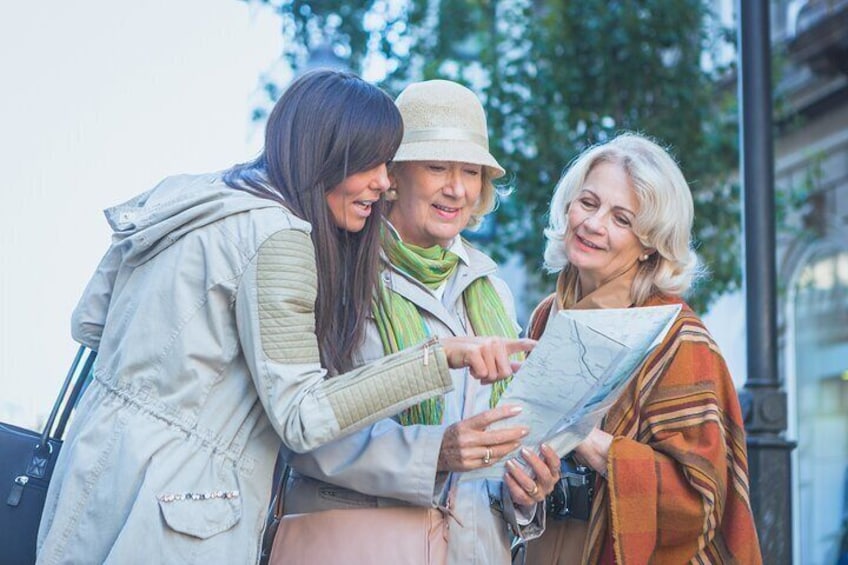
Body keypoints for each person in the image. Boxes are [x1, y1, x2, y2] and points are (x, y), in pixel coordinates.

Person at [35, 70, 533, 565]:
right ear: (324, 154)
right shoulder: (281, 237)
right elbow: (303, 417)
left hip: (96, 472)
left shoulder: (193, 197)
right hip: (182, 507)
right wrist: (436, 359)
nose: (380, 183)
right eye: (370, 163)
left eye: (470, 172)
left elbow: (90, 324)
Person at [280, 79, 560, 564]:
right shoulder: (337, 273)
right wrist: (435, 453)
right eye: (436, 167)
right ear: (394, 174)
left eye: (471, 171)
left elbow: (501, 439)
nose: (456, 188)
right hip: (360, 549)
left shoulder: (491, 288)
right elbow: (300, 434)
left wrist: (525, 491)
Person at [523, 133, 762, 564]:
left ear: (650, 242)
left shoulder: (678, 336)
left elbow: (700, 499)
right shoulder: (545, 316)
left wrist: (591, 443)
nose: (593, 225)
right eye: (589, 203)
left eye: (622, 219)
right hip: (544, 543)